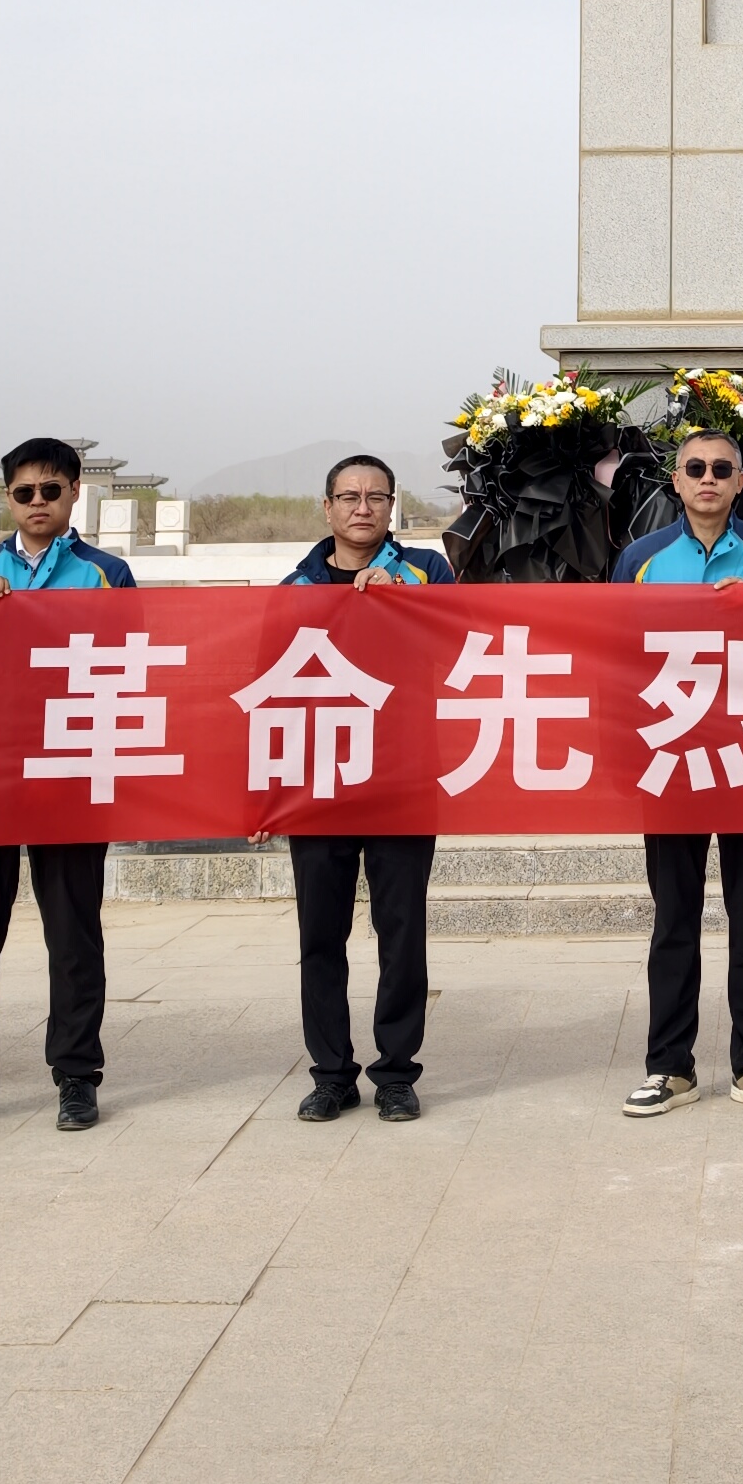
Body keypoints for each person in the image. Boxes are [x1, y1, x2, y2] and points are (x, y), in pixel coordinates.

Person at [0, 436, 134, 1139]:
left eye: (51, 489)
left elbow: (131, 660)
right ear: (6, 498)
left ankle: (77, 1077)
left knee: (74, 936)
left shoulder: (106, 574)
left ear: (75, 493)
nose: (38, 502)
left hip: (68, 768)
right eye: (24, 492)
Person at [612, 432, 743, 1117]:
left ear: (740, 482)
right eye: (695, 467)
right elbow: (614, 653)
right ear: (675, 480)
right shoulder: (640, 559)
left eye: (722, 469)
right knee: (674, 917)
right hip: (670, 758)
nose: (708, 478)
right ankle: (670, 1067)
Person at [279, 455, 447, 1123]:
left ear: (391, 506)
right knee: (320, 936)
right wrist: (266, 794)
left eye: (376, 496)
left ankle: (397, 1072)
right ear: (327, 508)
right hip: (320, 782)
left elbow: (459, 640)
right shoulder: (295, 586)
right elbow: (268, 689)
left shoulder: (426, 571)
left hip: (403, 779)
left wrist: (401, 598)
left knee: (401, 931)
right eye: (349, 496)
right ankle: (331, 1074)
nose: (362, 507)